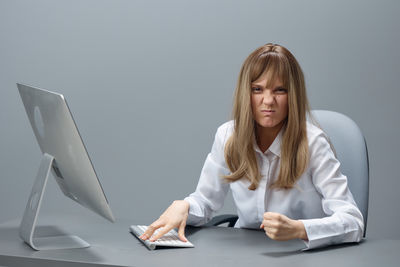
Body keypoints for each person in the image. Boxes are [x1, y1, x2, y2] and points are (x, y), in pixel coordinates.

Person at [140, 43, 364, 250]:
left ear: (293, 95)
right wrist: (185, 206)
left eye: (279, 90)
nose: (268, 101)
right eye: (258, 89)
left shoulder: (313, 142)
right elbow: (205, 201)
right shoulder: (228, 135)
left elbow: (353, 221)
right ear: (245, 93)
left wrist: (299, 229)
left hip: (300, 254)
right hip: (245, 254)